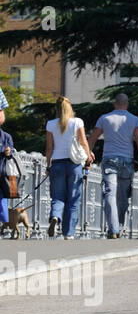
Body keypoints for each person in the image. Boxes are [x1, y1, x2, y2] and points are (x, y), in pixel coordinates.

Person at [87, 94, 138, 239]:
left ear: (115, 104)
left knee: (110, 193)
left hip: (109, 158)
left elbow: (92, 138)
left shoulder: (105, 118)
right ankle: (121, 225)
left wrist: (88, 155)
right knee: (123, 196)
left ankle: (113, 228)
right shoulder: (134, 120)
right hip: (127, 160)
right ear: (127, 104)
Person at [44, 96, 92, 239]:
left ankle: (55, 216)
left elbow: (49, 147)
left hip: (57, 164)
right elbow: (83, 142)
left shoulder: (50, 124)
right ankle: (69, 233)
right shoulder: (77, 122)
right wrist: (88, 157)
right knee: (73, 199)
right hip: (74, 164)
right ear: (70, 107)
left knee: (57, 196)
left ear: (57, 109)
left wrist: (48, 165)